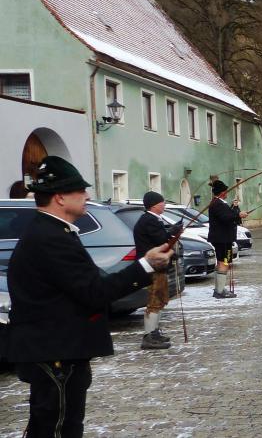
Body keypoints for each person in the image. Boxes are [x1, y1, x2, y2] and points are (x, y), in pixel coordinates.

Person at [4, 156, 173, 438]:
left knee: (58, 425)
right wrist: (146, 265)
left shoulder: (53, 231)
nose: (88, 196)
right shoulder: (50, 237)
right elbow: (95, 292)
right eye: (80, 191)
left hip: (59, 350)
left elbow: (90, 283)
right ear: (59, 197)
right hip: (54, 353)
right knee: (55, 428)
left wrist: (144, 264)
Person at [133, 191, 183, 350]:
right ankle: (148, 336)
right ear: (154, 205)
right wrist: (172, 232)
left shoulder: (153, 219)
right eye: (162, 203)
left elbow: (161, 238)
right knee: (155, 300)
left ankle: (154, 331)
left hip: (158, 265)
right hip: (153, 266)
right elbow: (160, 240)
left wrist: (172, 232)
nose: (164, 205)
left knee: (160, 299)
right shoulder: (149, 220)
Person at [208, 179, 247, 298]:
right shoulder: (217, 204)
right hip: (222, 239)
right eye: (225, 191)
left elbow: (229, 215)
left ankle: (219, 289)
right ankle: (220, 291)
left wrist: (237, 214)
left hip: (224, 238)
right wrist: (238, 215)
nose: (227, 193)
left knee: (222, 262)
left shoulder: (219, 203)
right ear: (222, 192)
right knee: (224, 262)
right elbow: (226, 217)